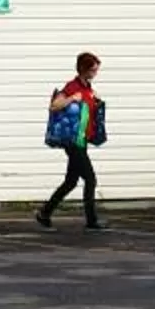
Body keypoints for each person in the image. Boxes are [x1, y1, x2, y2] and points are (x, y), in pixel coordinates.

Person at [37, 52, 104, 230]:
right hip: (73, 142)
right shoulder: (72, 86)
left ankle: (44, 213)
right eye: (93, 70)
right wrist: (71, 99)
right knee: (90, 179)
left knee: (71, 181)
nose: (95, 73)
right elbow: (54, 105)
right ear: (83, 69)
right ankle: (91, 220)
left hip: (82, 141)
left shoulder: (87, 87)